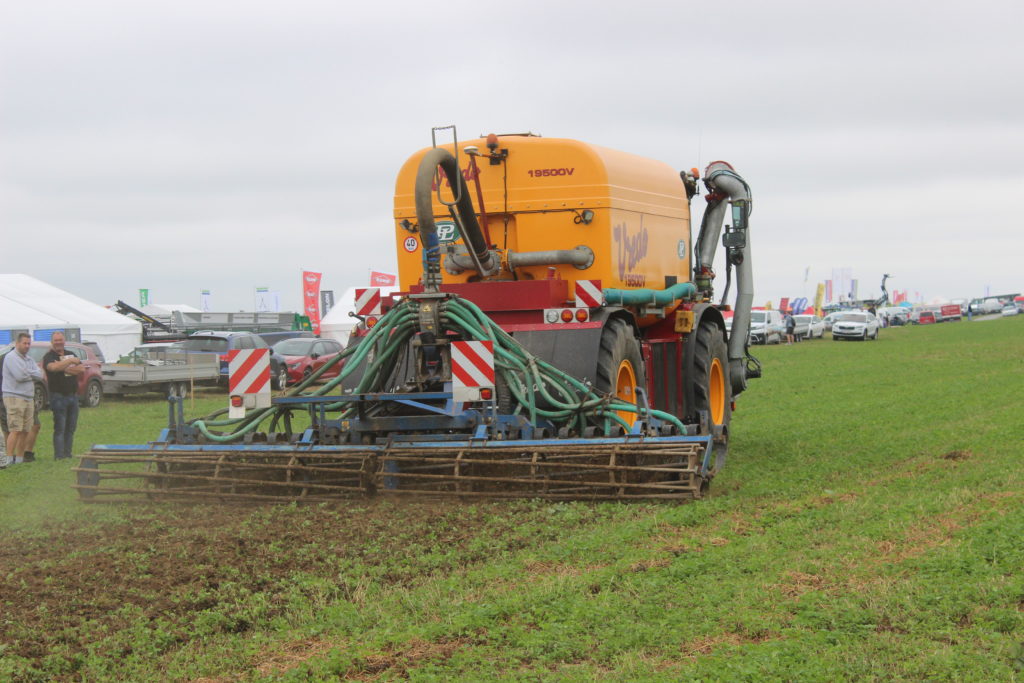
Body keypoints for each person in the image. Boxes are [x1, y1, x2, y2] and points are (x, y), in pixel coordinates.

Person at [2, 332, 44, 467]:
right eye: (24, 343)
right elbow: (19, 376)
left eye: (28, 343)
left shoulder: (29, 359)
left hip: (28, 397)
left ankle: (19, 460)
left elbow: (40, 374)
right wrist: (32, 373)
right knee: (15, 429)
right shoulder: (11, 357)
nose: (27, 346)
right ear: (17, 343)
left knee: (25, 430)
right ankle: (8, 460)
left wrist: (29, 372)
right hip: (14, 396)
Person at [43, 332, 83, 461]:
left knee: (71, 428)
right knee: (60, 428)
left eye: (60, 340)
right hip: (58, 397)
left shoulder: (71, 353)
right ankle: (59, 456)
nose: (58, 342)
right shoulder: (49, 356)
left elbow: (81, 369)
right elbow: (52, 368)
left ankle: (68, 454)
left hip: (73, 396)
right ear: (52, 342)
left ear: (64, 341)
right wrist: (70, 362)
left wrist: (63, 367)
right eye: (56, 340)